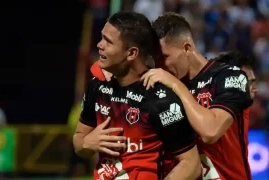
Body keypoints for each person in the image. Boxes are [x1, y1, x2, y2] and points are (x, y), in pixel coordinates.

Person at [90, 13, 254, 180]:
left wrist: (176, 85)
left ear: (187, 48)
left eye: (165, 58)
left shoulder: (229, 77)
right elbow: (119, 66)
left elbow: (210, 131)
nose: (160, 66)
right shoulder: (159, 85)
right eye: (156, 59)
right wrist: (111, 69)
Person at [73, 12, 201, 180]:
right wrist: (87, 143)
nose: (99, 45)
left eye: (108, 42)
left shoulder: (160, 99)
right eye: (102, 38)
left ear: (132, 53)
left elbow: (191, 164)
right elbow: (79, 140)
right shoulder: (98, 85)